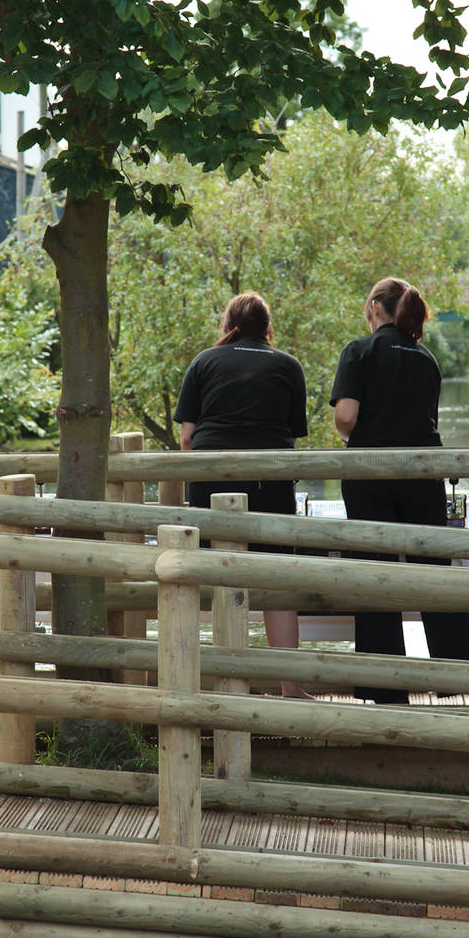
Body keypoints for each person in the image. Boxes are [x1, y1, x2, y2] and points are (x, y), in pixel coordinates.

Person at [330, 276, 469, 703]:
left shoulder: (359, 350)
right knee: (433, 573)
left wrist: (355, 433)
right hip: (423, 477)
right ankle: (462, 678)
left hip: (370, 476)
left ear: (376, 308)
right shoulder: (426, 357)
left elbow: (345, 417)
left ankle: (383, 686)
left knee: (374, 574)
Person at [174, 292, 311, 698]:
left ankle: (220, 685)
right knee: (277, 581)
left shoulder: (203, 362)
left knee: (217, 575)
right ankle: (291, 688)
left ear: (228, 325)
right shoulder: (288, 365)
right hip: (270, 481)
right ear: (268, 328)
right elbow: (292, 436)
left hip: (211, 478)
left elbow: (187, 438)